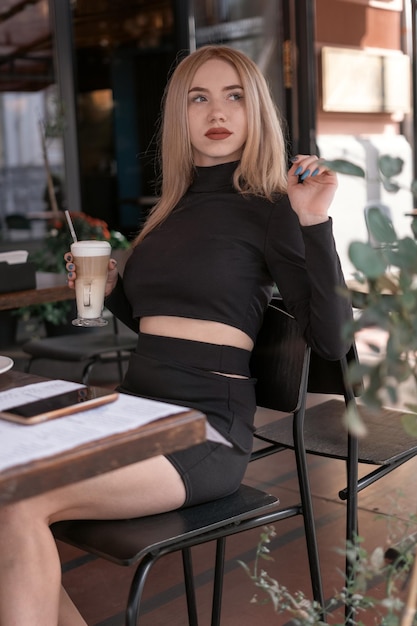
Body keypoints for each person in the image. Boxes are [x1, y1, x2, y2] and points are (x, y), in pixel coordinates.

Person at [0, 45, 352, 625]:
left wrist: (314, 223)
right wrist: (112, 286)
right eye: (199, 97)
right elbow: (157, 325)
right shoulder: (169, 212)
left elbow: (332, 344)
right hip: (135, 412)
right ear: (180, 116)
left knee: (17, 506)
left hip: (205, 431)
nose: (218, 110)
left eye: (234, 95)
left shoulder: (274, 208)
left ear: (254, 110)